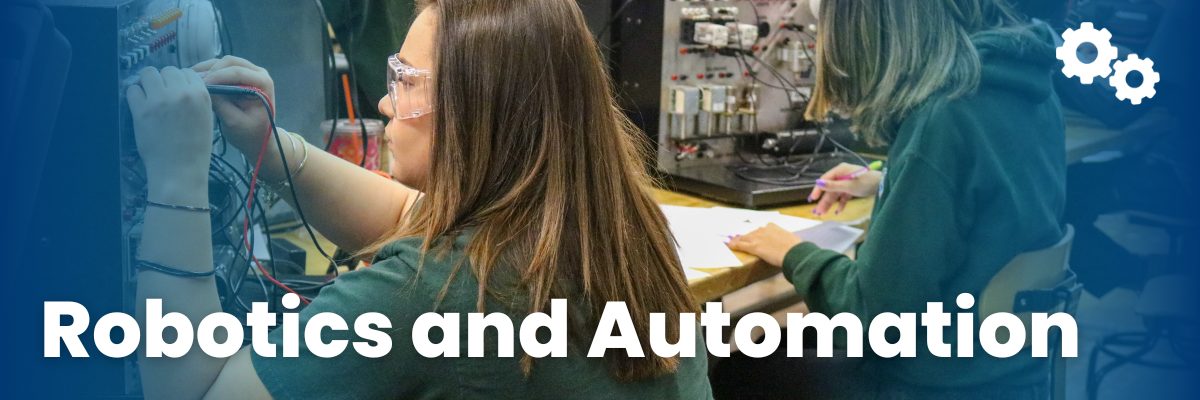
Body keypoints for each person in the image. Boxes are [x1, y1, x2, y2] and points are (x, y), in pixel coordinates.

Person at [125, 0, 711, 398]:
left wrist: (176, 175)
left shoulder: (432, 296)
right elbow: (412, 218)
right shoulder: (623, 226)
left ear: (476, 112)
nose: (386, 104)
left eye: (404, 81)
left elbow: (193, 389)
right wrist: (269, 147)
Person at [716, 0, 1067, 398]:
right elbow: (989, 189)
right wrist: (888, 180)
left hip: (932, 381)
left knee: (730, 361)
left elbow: (872, 315)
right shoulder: (1021, 88)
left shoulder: (943, 117)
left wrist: (795, 253)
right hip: (1011, 369)